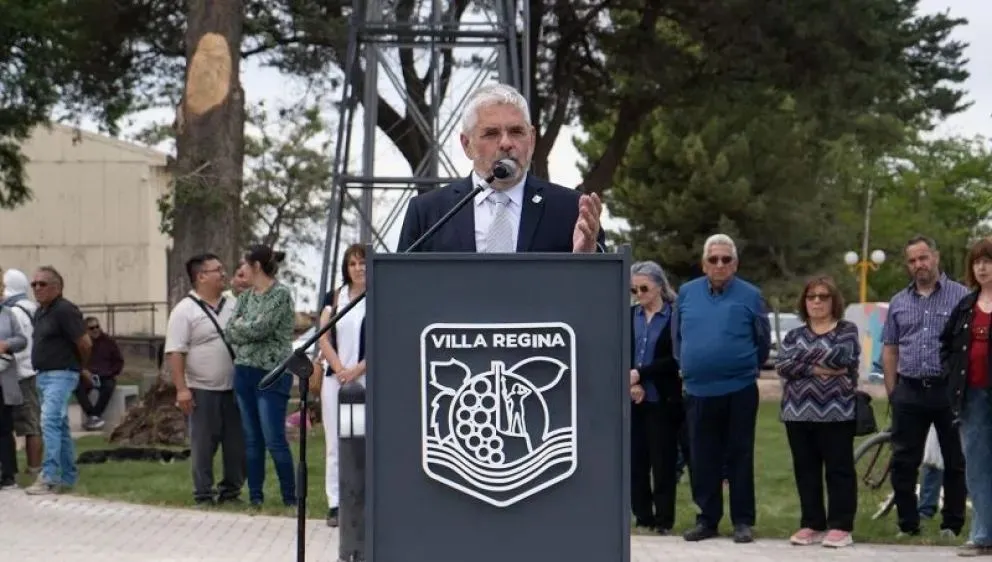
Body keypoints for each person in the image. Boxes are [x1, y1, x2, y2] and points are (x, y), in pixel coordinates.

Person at [397, 83, 604, 254]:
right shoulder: (429, 212)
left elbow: (603, 291)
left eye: (516, 131)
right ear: (466, 144)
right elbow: (401, 289)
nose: (506, 143)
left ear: (531, 140)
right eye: (491, 133)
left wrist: (587, 259)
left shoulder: (571, 210)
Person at [672, 234, 770, 544]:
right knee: (702, 457)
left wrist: (741, 366)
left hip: (739, 388)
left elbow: (762, 343)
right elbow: (677, 340)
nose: (719, 264)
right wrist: (692, 365)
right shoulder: (686, 294)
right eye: (713, 259)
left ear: (735, 264)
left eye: (726, 259)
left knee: (739, 455)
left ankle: (742, 521)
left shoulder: (751, 296)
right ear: (704, 264)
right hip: (698, 391)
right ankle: (707, 520)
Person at [881, 235, 967, 539]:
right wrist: (894, 391)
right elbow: (890, 348)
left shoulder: (961, 297)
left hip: (947, 391)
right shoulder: (898, 302)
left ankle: (952, 525)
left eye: (923, 258)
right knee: (904, 461)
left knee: (955, 459)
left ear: (936, 257)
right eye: (912, 260)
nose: (919, 265)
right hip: (910, 390)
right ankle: (908, 523)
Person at [776, 276, 860, 548]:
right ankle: (812, 523)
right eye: (811, 296)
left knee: (839, 469)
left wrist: (802, 361)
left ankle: (841, 526)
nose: (816, 301)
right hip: (797, 413)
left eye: (823, 296)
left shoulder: (847, 330)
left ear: (834, 301)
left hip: (837, 413)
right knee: (806, 470)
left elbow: (843, 357)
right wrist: (819, 367)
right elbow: (782, 366)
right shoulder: (793, 335)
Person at [164, 253, 245, 506]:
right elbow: (176, 351)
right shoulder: (184, 311)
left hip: (234, 388)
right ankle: (203, 494)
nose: (223, 274)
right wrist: (182, 389)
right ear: (201, 277)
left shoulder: (233, 303)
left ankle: (231, 492)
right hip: (202, 389)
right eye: (217, 270)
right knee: (203, 445)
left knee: (236, 444)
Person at [226, 245, 297, 507]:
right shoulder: (245, 298)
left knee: (274, 438)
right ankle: (255, 496)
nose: (242, 269)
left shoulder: (280, 295)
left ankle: (290, 498)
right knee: (252, 438)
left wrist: (244, 328)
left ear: (256, 266)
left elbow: (262, 328)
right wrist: (244, 328)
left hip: (272, 374)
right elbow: (229, 330)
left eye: (245, 264)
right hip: (244, 371)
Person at [941, 237, 992, 556]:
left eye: (988, 260)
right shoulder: (965, 305)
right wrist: (951, 372)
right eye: (977, 262)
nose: (983, 267)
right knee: (977, 465)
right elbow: (946, 344)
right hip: (971, 396)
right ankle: (983, 534)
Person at [24, 266, 91, 495]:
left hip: (61, 373)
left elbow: (85, 343)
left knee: (49, 422)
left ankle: (49, 476)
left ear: (57, 287)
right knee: (59, 426)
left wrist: (80, 367)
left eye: (42, 284)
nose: (37, 288)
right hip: (43, 375)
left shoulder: (65, 310)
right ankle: (69, 477)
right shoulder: (40, 312)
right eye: (34, 284)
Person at [627, 261, 682, 535]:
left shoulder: (674, 317)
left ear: (659, 286)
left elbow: (673, 360)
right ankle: (643, 515)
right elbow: (617, 349)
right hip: (633, 399)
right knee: (635, 461)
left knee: (663, 462)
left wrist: (641, 374)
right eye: (634, 289)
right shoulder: (628, 315)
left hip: (663, 399)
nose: (639, 294)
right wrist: (631, 382)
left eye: (644, 288)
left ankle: (664, 519)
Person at [318, 243, 367, 527]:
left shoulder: (378, 296)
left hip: (365, 379)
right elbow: (323, 335)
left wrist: (358, 369)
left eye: (362, 263)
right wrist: (339, 369)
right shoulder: (335, 297)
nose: (358, 269)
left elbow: (383, 334)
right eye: (352, 264)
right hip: (335, 381)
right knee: (336, 442)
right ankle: (336, 502)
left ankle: (361, 498)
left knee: (361, 440)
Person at [1, 268, 42, 476]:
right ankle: (31, 468)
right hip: (30, 373)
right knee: (30, 423)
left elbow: (20, 345)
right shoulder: (32, 308)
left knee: (27, 425)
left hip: (18, 375)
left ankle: (33, 469)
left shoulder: (14, 312)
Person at [0, 294, 28, 488]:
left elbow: (22, 340)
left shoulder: (8, 314)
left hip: (3, 380)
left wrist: (7, 344)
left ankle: (9, 475)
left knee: (4, 428)